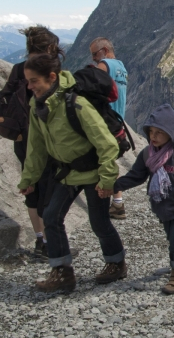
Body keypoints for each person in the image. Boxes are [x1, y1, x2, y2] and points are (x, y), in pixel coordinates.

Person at [18, 53, 127, 292]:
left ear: (52, 78)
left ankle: (116, 263)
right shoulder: (38, 106)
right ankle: (62, 273)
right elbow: (36, 148)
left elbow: (107, 144)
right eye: (28, 81)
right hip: (66, 172)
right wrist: (29, 180)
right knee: (51, 216)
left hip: (93, 172)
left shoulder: (76, 103)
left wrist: (108, 180)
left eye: (34, 80)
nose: (30, 86)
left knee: (98, 222)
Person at [113, 104, 174, 295]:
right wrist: (115, 186)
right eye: (151, 131)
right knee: (173, 238)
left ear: (171, 133)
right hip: (162, 208)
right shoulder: (147, 154)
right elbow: (136, 176)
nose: (153, 136)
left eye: (159, 132)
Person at [0, 26, 60, 260]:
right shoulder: (44, 70)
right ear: (47, 48)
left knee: (31, 187)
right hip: (43, 138)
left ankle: (39, 239)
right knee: (48, 186)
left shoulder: (17, 69)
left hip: (20, 138)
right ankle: (49, 243)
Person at [89, 37, 128, 219]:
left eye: (95, 54)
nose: (94, 59)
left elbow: (91, 87)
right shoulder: (121, 66)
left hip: (104, 120)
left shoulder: (104, 65)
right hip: (118, 119)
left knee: (104, 162)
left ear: (104, 50)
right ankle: (117, 202)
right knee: (110, 161)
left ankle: (114, 204)